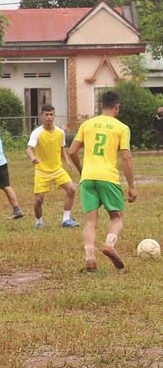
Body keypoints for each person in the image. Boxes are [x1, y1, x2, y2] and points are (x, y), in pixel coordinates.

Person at [69, 90, 136, 272]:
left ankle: (90, 257)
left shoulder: (87, 124)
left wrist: (82, 170)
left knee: (90, 222)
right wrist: (131, 186)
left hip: (88, 178)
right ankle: (109, 243)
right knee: (117, 217)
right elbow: (126, 158)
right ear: (117, 107)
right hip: (108, 178)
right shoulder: (122, 127)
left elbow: (72, 151)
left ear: (100, 106)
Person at [26, 104, 80, 229]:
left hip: (57, 169)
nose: (49, 117)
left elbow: (61, 148)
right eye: (46, 115)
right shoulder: (37, 133)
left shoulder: (60, 132)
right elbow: (29, 149)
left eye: (51, 115)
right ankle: (39, 222)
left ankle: (66, 219)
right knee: (39, 200)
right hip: (42, 171)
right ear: (42, 116)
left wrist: (67, 161)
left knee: (71, 190)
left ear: (54, 116)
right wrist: (32, 157)